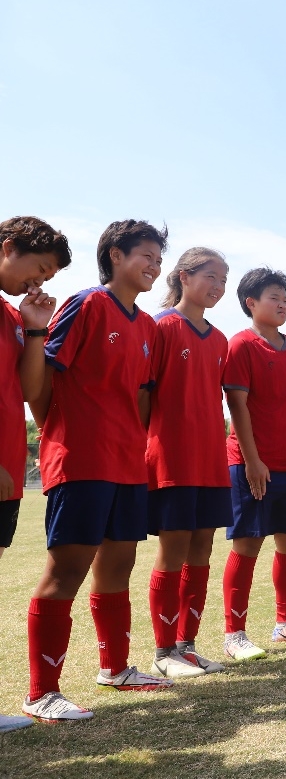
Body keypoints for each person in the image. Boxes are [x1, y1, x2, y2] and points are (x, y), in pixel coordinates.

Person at [26, 220, 172, 724]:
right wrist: (57, 435)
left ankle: (115, 669)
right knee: (66, 571)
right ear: (115, 255)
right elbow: (42, 378)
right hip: (82, 459)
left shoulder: (149, 326)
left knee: (118, 567)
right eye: (145, 256)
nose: (154, 266)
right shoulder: (86, 304)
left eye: (158, 258)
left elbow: (140, 396)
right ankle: (42, 692)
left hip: (126, 463)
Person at [221, 268, 286, 662]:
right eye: (273, 298)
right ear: (251, 303)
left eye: (285, 299)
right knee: (248, 544)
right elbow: (237, 405)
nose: (282, 305)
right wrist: (252, 461)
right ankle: (235, 634)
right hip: (253, 465)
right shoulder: (241, 345)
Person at [145, 248, 233, 679]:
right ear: (184, 276)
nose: (218, 287)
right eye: (211, 277)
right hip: (172, 459)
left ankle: (187, 645)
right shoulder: (160, 327)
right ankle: (163, 653)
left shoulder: (219, 340)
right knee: (173, 550)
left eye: (224, 281)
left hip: (210, 460)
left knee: (202, 550)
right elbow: (142, 397)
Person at [0, 216, 70, 730]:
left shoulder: (11, 314)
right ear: (8, 248)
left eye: (48, 276)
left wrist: (35, 328)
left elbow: (27, 390)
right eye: (38, 268)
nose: (40, 282)